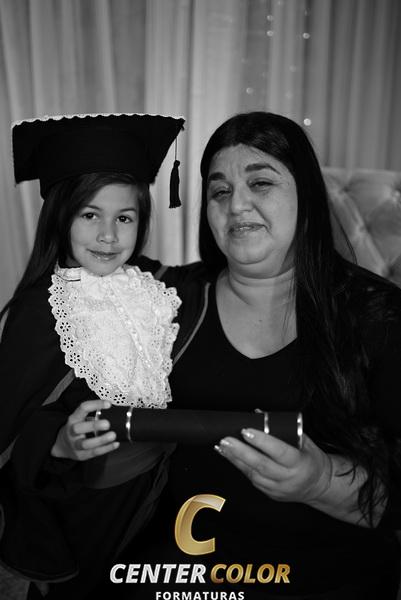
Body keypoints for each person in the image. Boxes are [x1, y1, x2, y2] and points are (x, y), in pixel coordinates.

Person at [112, 112, 401, 600]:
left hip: (326, 583)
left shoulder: (380, 317)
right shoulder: (168, 299)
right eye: (219, 191)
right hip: (183, 576)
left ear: (306, 196)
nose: (236, 205)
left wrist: (321, 481)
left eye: (261, 183)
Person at [0, 112, 184, 599]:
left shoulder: (154, 290)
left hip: (163, 501)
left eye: (124, 218)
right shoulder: (41, 311)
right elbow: (12, 430)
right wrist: (59, 443)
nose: (108, 235)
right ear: (60, 216)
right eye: (89, 215)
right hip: (84, 510)